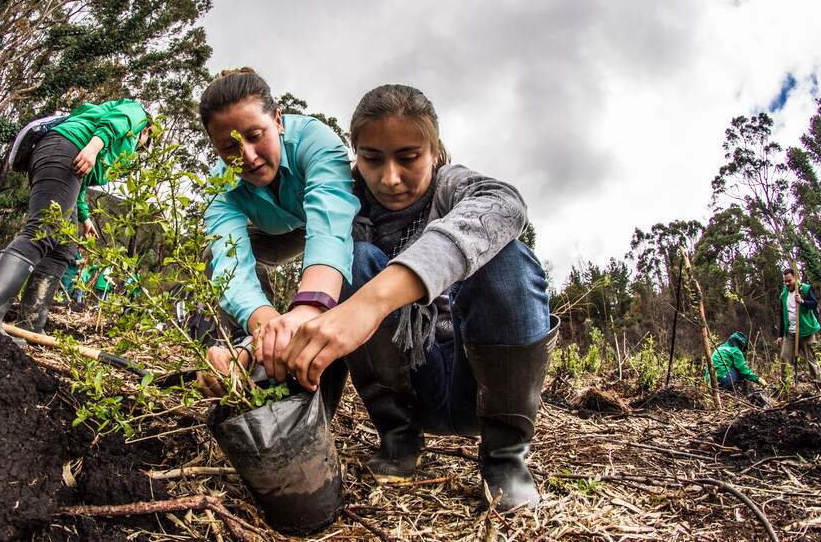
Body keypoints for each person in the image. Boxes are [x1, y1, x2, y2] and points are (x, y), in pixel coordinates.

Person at [283, 84, 558, 512]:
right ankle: (399, 436)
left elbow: (506, 205)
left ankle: (505, 456)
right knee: (349, 259)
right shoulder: (344, 205)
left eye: (408, 157)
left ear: (434, 151)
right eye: (372, 159)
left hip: (478, 380)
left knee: (508, 254)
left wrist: (372, 302)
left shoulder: (453, 187)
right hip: (406, 382)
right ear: (356, 156)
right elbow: (298, 283)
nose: (390, 178)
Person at [195, 68, 359, 400]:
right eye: (230, 148)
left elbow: (329, 231)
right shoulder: (220, 186)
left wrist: (308, 308)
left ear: (279, 120)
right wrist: (268, 325)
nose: (249, 158)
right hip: (274, 235)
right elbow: (231, 264)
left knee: (360, 251)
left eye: (256, 136)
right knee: (212, 254)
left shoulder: (316, 140)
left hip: (325, 221)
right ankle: (241, 352)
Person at [0, 99, 151, 337]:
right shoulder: (136, 114)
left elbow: (81, 182)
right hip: (66, 149)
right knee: (43, 231)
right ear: (146, 131)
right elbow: (116, 121)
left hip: (66, 158)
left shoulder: (101, 150)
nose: (137, 150)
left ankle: (29, 326)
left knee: (64, 247)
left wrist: (85, 217)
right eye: (142, 145)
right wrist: (93, 147)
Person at [777, 269, 821, 382]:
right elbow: (783, 315)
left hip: (806, 330)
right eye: (785, 282)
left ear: (795, 278)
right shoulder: (784, 294)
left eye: (789, 281)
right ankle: (786, 384)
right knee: (784, 356)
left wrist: (802, 302)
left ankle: (818, 383)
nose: (787, 284)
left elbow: (814, 304)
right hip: (790, 332)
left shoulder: (805, 289)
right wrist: (780, 335)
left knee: (811, 359)